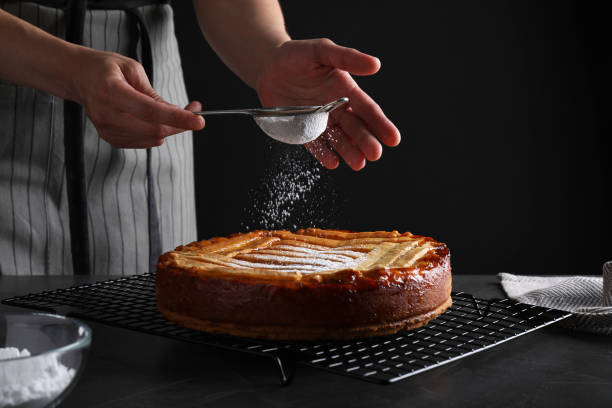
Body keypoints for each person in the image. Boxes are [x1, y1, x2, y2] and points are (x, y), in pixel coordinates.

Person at [0, 0, 400, 276]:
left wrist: (268, 52)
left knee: (148, 355)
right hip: (14, 67)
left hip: (146, 80)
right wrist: (67, 69)